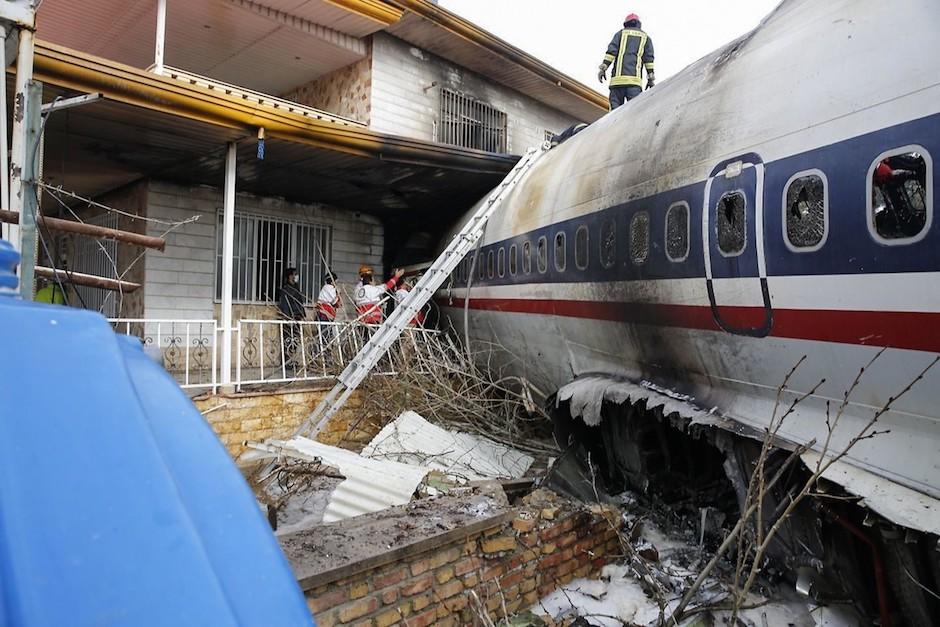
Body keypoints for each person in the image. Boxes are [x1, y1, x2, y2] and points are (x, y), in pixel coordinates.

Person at [598, 13, 655, 110]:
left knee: (614, 115)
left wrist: (603, 68)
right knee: (634, 113)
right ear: (638, 24)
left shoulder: (620, 34)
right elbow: (649, 60)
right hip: (634, 84)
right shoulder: (646, 38)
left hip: (617, 82)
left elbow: (611, 53)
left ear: (626, 24)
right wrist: (650, 79)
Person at [277, 268, 307, 372]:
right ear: (290, 276)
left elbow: (299, 303)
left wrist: (302, 315)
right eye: (295, 274)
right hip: (290, 319)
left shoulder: (296, 288)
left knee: (295, 341)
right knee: (288, 340)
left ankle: (292, 360)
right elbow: (285, 305)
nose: (296, 276)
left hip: (297, 318)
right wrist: (288, 318)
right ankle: (287, 361)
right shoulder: (286, 289)